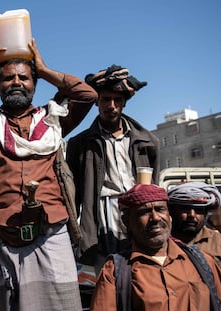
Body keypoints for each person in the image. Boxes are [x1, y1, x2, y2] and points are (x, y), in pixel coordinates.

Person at [0, 31, 97, 311]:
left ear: (34, 84)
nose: (16, 83)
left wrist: (44, 69)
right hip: (6, 238)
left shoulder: (54, 120)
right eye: (8, 78)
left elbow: (87, 94)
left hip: (51, 234)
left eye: (24, 77)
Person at [66, 64, 160, 273]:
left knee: (143, 270)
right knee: (109, 273)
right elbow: (74, 195)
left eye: (117, 100)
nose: (112, 105)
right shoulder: (80, 144)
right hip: (102, 213)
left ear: (124, 103)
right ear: (97, 102)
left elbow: (154, 186)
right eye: (106, 99)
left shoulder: (147, 141)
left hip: (138, 210)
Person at [90, 183, 221, 311]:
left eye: (160, 209)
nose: (156, 218)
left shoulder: (201, 262)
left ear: (169, 216)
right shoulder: (116, 271)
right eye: (144, 212)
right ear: (127, 221)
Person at [168, 181, 221, 279]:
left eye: (198, 210)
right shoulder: (162, 242)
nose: (191, 215)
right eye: (185, 209)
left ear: (206, 213)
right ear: (172, 211)